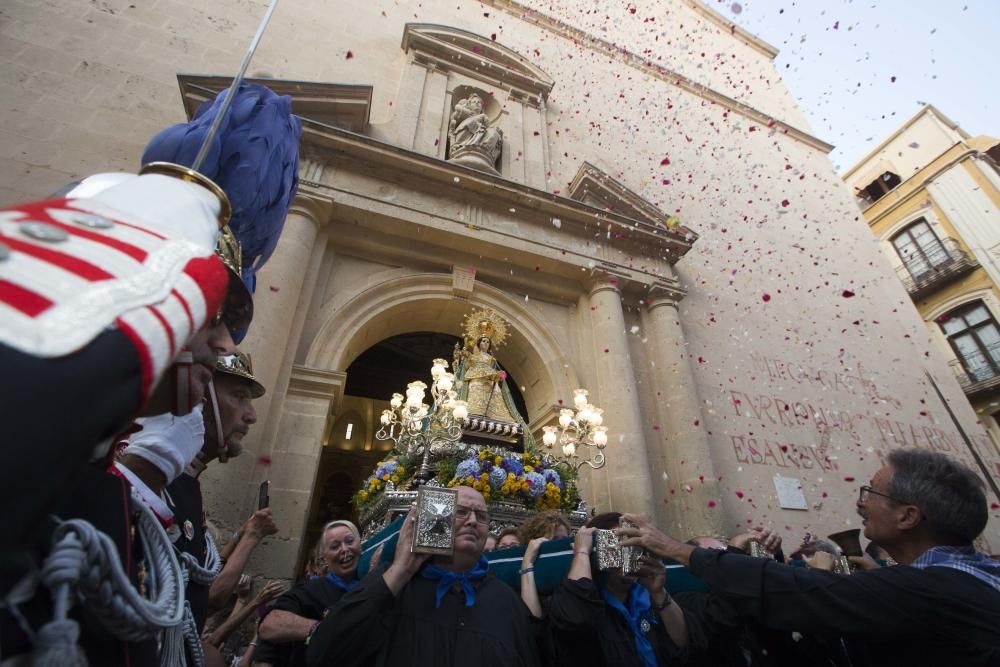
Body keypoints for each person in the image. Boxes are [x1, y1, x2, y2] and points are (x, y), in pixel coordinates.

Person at [618, 449, 1000, 667]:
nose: (861, 501)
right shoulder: (965, 580)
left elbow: (794, 591)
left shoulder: (931, 590)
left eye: (871, 492)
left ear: (908, 516)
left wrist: (673, 548)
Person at [307, 487, 541, 667]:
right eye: (460, 512)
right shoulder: (395, 582)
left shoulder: (506, 601)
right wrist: (401, 570)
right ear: (436, 518)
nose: (471, 521)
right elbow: (324, 651)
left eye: (481, 516)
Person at [546, 512, 693, 667]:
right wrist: (582, 553)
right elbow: (575, 620)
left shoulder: (645, 598)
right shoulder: (584, 599)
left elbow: (684, 644)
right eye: (617, 546)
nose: (627, 556)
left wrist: (659, 592)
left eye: (634, 546)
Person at [257, 520, 363, 667]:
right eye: (334, 546)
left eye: (350, 541)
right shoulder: (310, 590)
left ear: (360, 544)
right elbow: (269, 626)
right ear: (324, 557)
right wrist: (322, 630)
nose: (344, 549)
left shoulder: (370, 585)